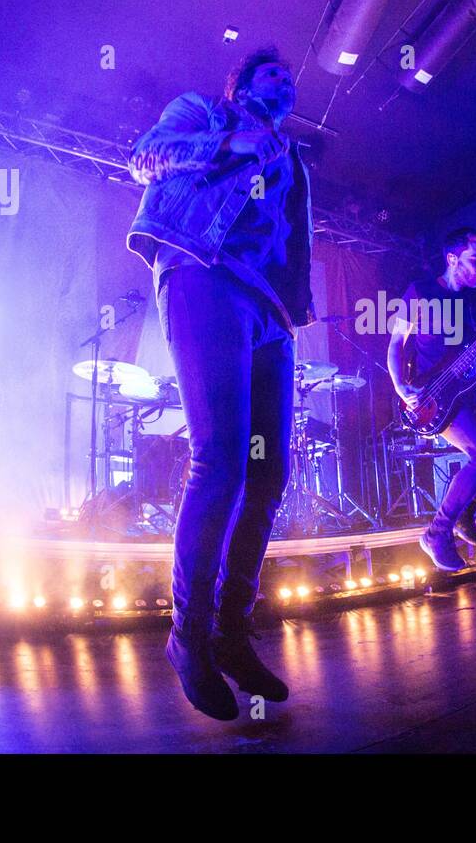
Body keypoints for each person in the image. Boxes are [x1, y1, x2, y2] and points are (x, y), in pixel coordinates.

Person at [126, 46, 311, 721]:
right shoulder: (201, 110)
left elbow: (292, 242)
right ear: (238, 84)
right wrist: (231, 135)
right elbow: (144, 156)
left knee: (268, 476)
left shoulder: (292, 158)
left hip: (270, 312)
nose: (283, 84)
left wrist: (296, 311)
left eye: (289, 80)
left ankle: (233, 631)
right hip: (202, 276)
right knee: (221, 463)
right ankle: (189, 636)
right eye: (270, 74)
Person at [388, 227, 476, 572]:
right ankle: (437, 533)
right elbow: (395, 342)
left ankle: (467, 508)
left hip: (469, 391)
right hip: (432, 397)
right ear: (452, 259)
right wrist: (399, 386)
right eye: (475, 260)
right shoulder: (420, 291)